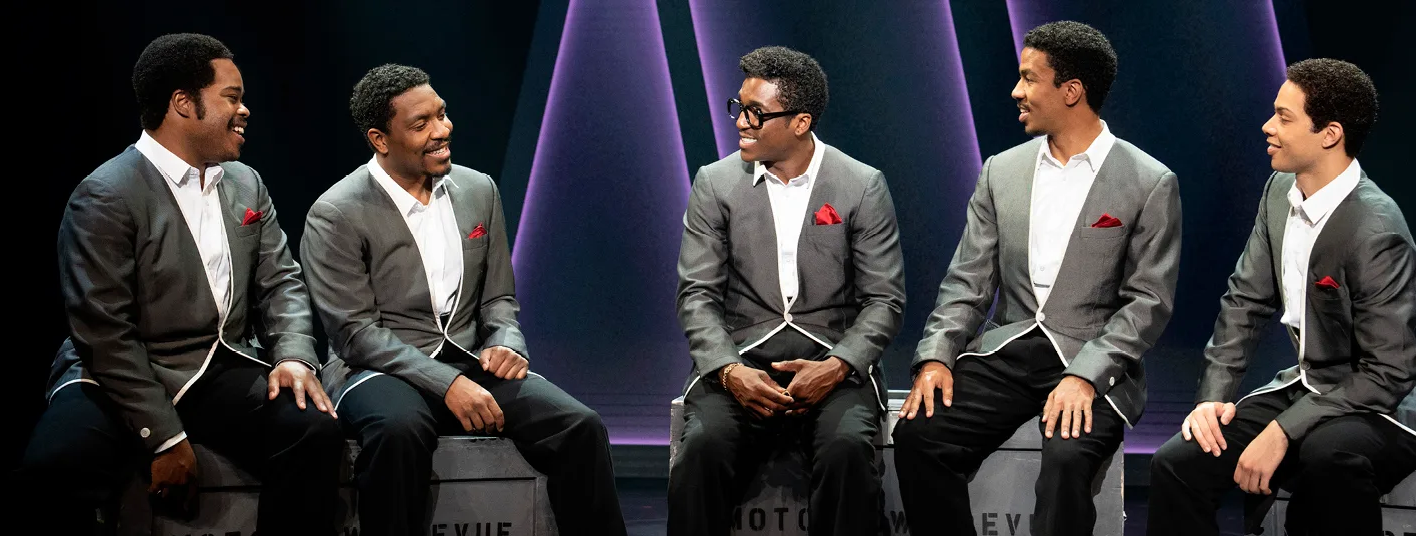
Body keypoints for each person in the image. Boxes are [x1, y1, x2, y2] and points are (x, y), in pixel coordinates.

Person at [892, 21, 1182, 536]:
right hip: (1010, 351)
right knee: (920, 435)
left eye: (1029, 79)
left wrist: (1085, 375)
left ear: (1071, 91)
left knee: (1068, 459)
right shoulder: (1001, 171)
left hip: (1090, 355)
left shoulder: (1148, 181)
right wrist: (936, 355)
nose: (1016, 91)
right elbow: (967, 283)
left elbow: (1147, 303)